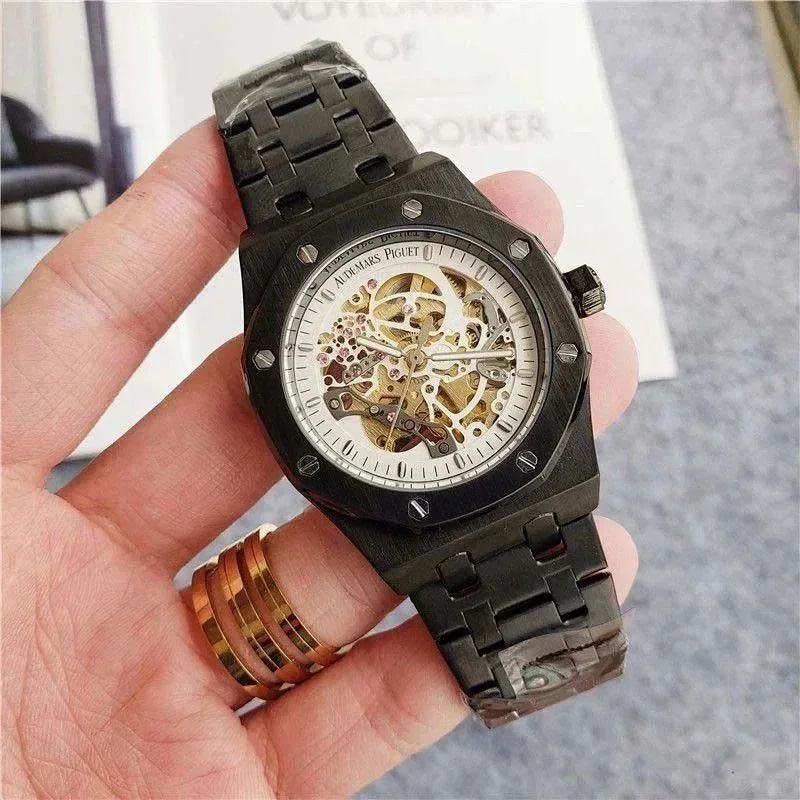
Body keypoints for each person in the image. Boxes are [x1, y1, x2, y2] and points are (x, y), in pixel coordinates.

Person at [1, 120, 639, 798]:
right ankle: (529, 662)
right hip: (427, 459)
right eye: (402, 337)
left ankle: (540, 659)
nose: (413, 354)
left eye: (419, 330)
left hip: (463, 454)